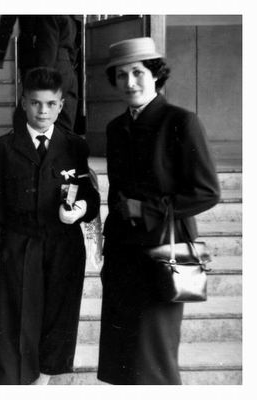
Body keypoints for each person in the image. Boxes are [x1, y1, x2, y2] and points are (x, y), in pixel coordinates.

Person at [97, 37, 221, 385]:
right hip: (123, 255)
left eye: (138, 72)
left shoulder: (181, 121)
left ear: (155, 75)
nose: (129, 82)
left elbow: (207, 192)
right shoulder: (115, 128)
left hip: (167, 253)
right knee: (121, 358)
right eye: (121, 76)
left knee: (154, 359)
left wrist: (146, 208)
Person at [0, 67, 100, 385]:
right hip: (21, 243)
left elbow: (89, 196)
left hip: (64, 245)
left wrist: (81, 209)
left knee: (59, 315)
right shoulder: (3, 149)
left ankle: (42, 383)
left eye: (50, 104)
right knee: (15, 318)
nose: (42, 111)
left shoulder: (75, 146)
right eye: (35, 103)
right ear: (23, 103)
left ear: (61, 105)